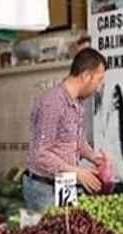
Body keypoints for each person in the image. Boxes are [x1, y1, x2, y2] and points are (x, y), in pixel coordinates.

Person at [24, 48, 107, 212]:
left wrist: (94, 157)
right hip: (44, 189)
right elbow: (40, 154)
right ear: (85, 76)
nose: (100, 87)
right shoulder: (52, 102)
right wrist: (78, 172)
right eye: (99, 80)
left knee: (68, 232)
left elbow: (77, 141)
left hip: (64, 185)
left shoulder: (77, 104)